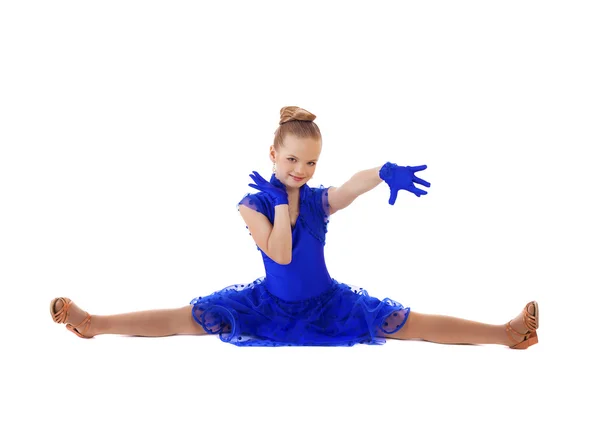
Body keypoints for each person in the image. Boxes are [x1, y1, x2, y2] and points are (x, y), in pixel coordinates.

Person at [50, 106, 539, 349]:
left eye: (310, 162)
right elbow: (279, 254)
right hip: (267, 304)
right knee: (185, 318)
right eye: (291, 160)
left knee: (411, 324)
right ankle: (93, 324)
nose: (302, 171)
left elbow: (348, 187)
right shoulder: (250, 204)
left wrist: (380, 172)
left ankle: (507, 333)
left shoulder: (319, 200)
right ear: (272, 155)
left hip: (328, 301)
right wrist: (282, 202)